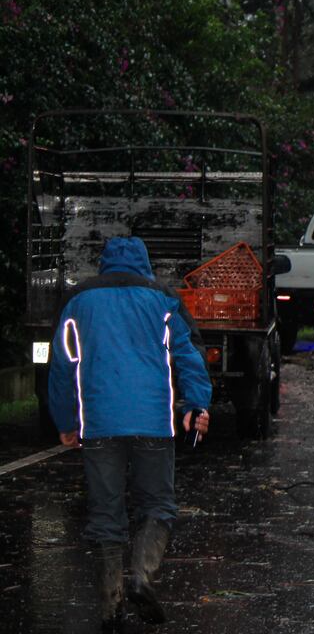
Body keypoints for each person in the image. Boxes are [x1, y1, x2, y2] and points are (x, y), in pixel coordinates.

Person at [49, 237, 212, 631]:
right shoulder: (162, 299)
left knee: (105, 514)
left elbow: (62, 367)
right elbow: (188, 354)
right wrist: (196, 404)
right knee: (157, 505)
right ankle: (141, 577)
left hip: (99, 423)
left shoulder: (79, 301)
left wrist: (66, 421)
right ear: (144, 263)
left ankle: (111, 605)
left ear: (105, 262)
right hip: (152, 421)